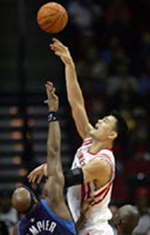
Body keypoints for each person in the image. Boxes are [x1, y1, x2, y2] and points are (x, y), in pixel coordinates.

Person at [28, 38, 128, 235]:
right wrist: (69, 64)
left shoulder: (104, 162)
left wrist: (51, 169)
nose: (99, 121)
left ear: (112, 134)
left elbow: (69, 179)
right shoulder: (89, 138)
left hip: (96, 229)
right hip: (81, 225)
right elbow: (77, 103)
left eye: (105, 121)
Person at [11, 82, 76, 235]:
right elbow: (53, 151)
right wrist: (52, 111)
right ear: (35, 198)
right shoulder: (52, 201)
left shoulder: (18, 230)